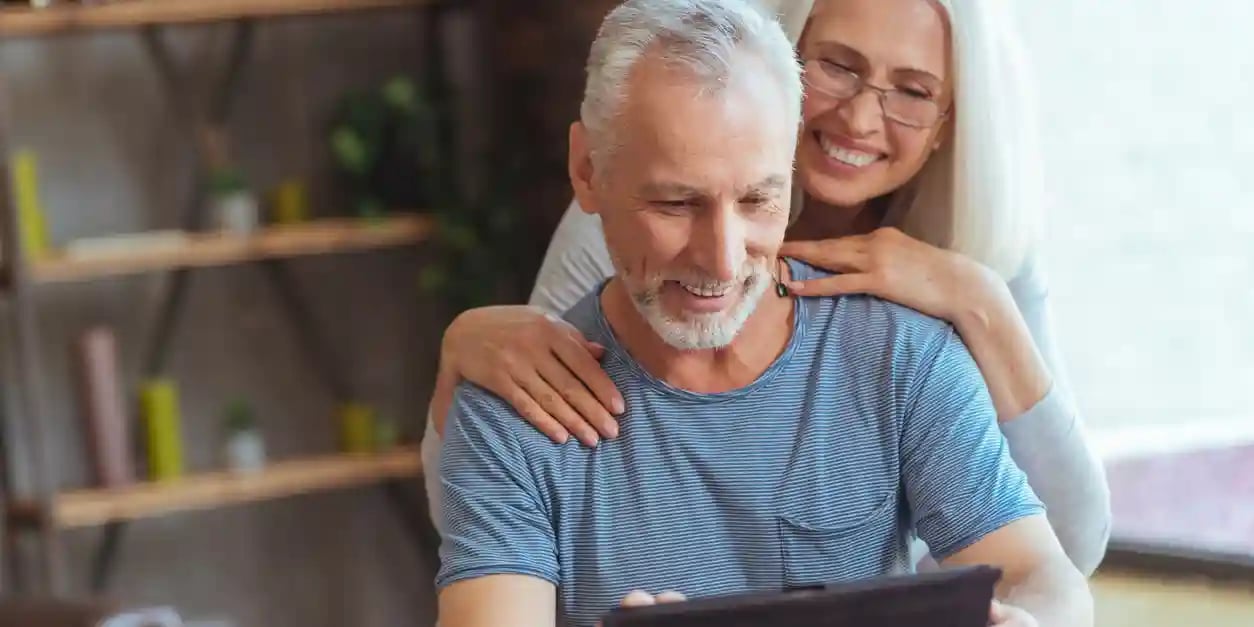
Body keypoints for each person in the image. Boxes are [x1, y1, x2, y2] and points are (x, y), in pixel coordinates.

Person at [435, 1, 1093, 626]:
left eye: (757, 200)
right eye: (676, 204)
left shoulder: (902, 350)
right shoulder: (516, 402)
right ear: (588, 171)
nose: (722, 261)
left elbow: (1046, 570)